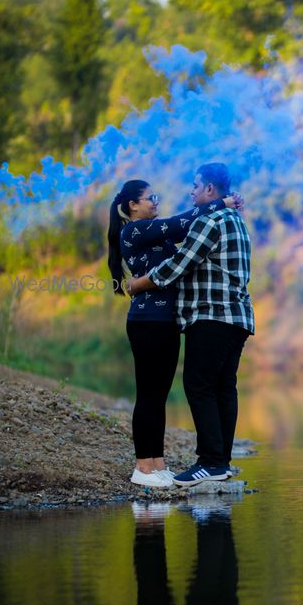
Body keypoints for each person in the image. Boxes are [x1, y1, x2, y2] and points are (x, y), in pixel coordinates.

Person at [127, 163, 255, 488]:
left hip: (211, 316)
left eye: (195, 185)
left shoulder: (211, 221)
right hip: (237, 317)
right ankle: (221, 462)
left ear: (210, 190)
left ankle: (210, 462)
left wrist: (140, 283)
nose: (191, 191)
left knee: (199, 386)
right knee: (224, 387)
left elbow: (179, 265)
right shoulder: (235, 220)